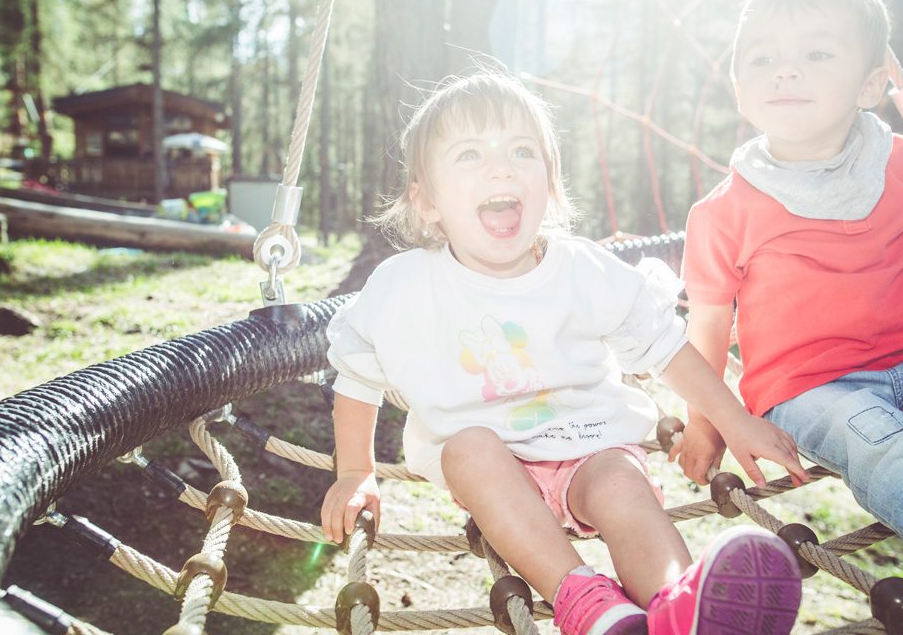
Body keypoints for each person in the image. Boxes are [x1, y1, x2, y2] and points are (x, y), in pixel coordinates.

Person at [320, 70, 808, 635]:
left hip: (591, 447)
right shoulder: (403, 287)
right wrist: (355, 471)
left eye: (522, 151)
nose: (500, 168)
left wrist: (733, 420)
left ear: (549, 186)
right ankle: (590, 606)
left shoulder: (582, 269)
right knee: (469, 449)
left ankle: (679, 608)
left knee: (624, 492)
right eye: (470, 155)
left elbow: (666, 347)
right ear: (426, 201)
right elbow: (357, 374)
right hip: (494, 470)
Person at [679, 0, 903, 612]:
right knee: (892, 451)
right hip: (812, 390)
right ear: (740, 88)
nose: (785, 72)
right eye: (763, 59)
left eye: (816, 54)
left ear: (872, 84)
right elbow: (706, 328)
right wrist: (705, 422)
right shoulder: (723, 212)